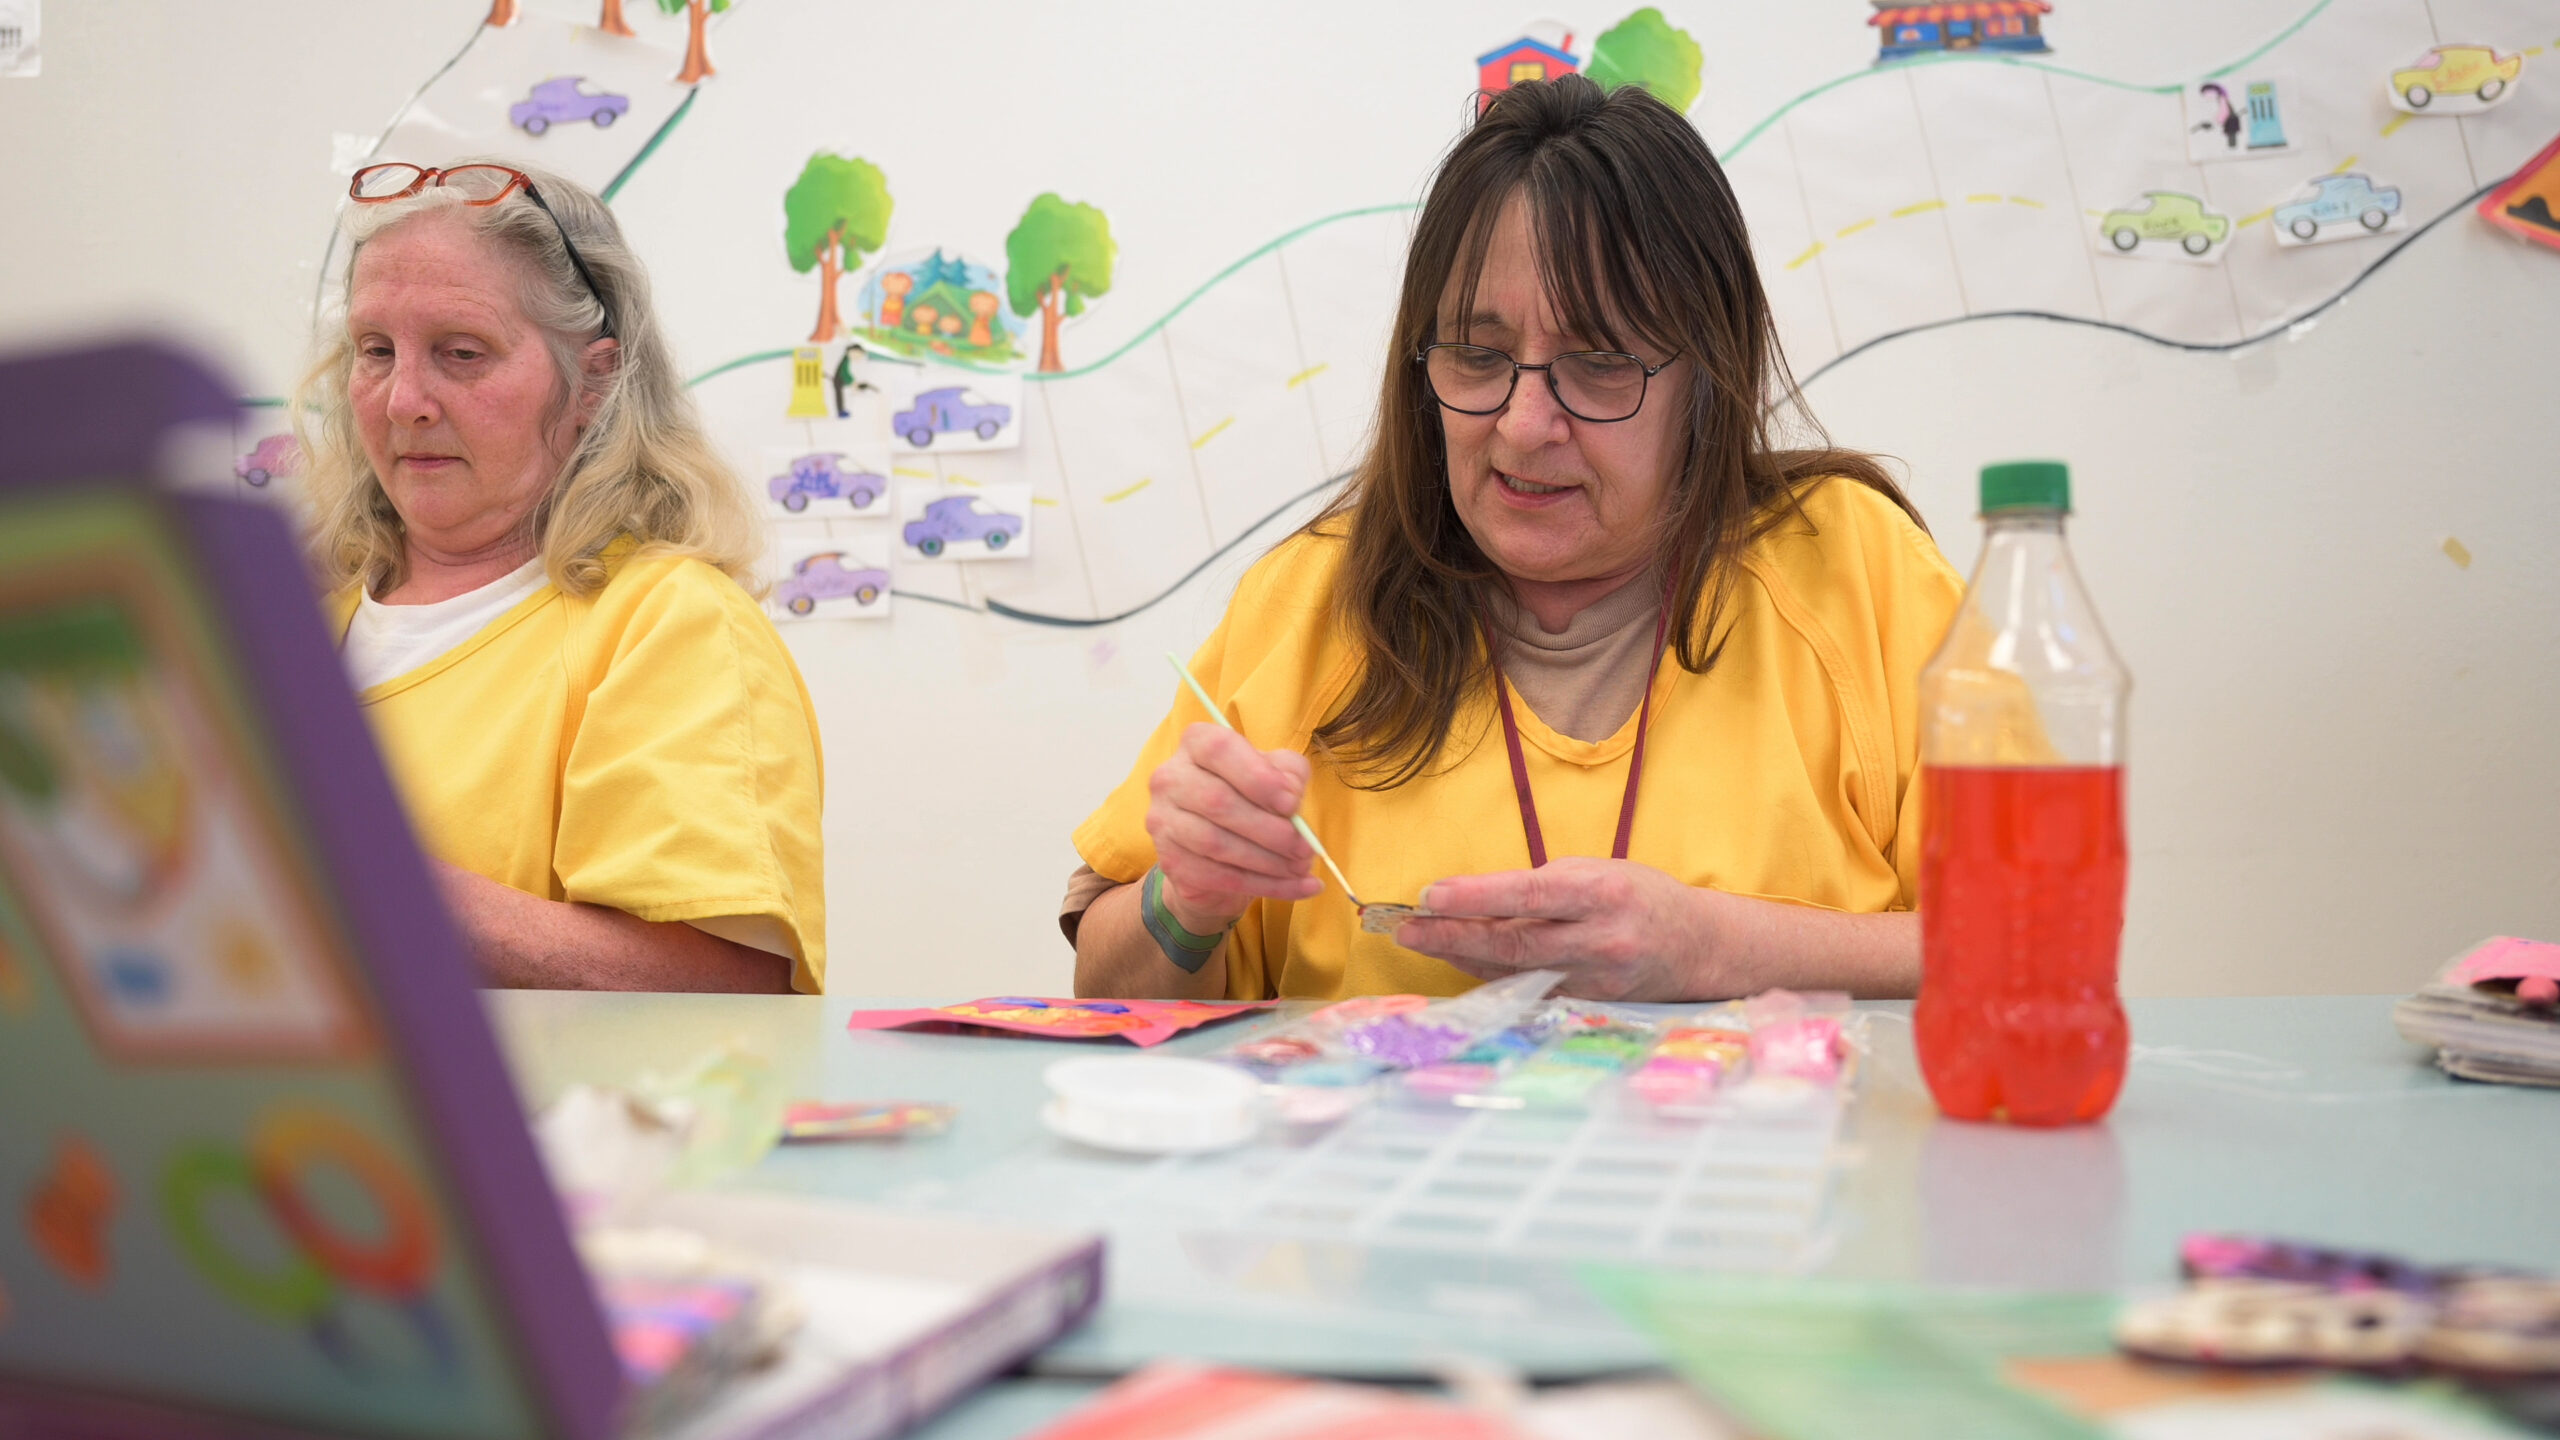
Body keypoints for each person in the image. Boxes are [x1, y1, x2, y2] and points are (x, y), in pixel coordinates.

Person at [1066, 78, 1963, 1004]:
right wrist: (1188, 903)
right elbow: (1105, 985)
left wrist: (1716, 948)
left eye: (1602, 362)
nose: (1525, 425)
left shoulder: (1859, 571)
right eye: (1479, 355)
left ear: (1709, 374)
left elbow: (2035, 942)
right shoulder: (1310, 603)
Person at [297, 160, 826, 994]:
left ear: (595, 379)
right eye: (374, 352)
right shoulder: (292, 631)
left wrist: (359, 878)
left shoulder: (667, 624)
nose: (403, 401)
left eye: (460, 353)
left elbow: (727, 988)